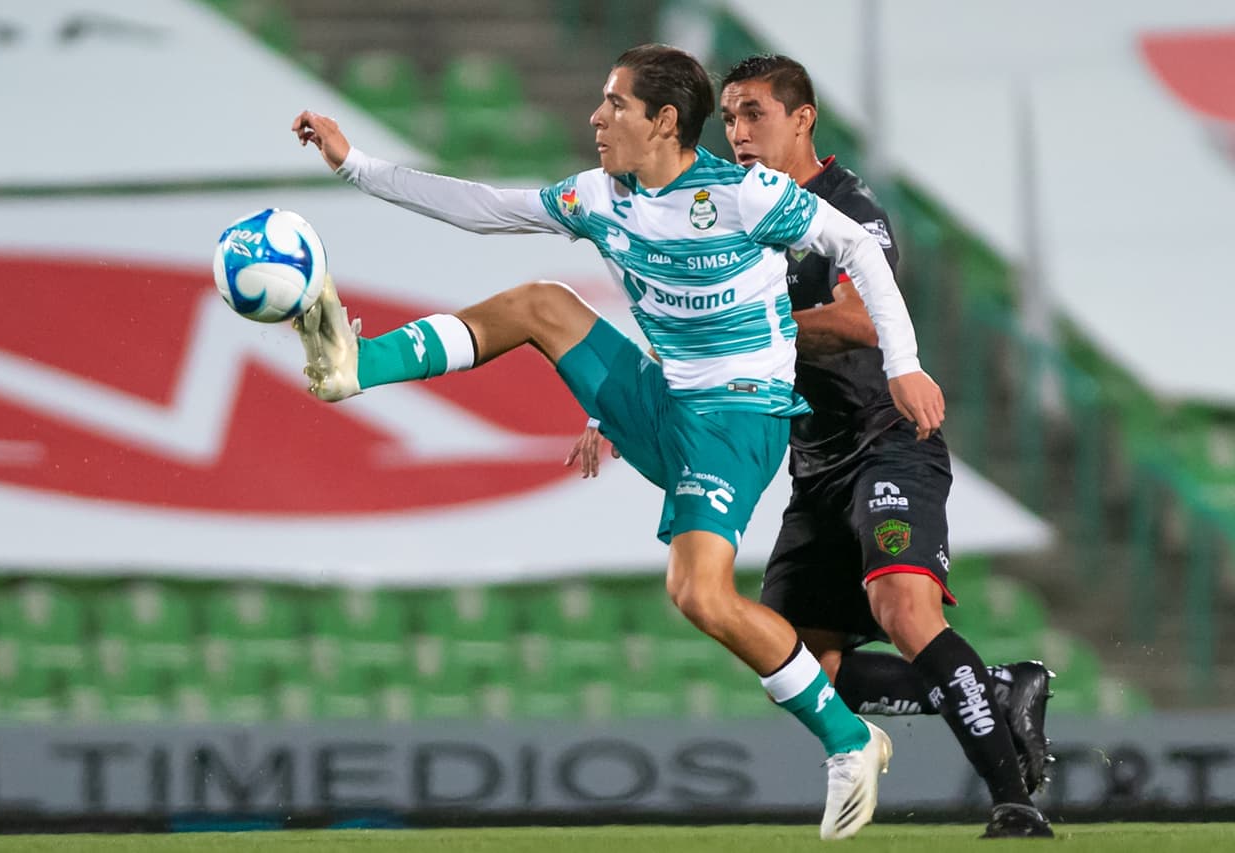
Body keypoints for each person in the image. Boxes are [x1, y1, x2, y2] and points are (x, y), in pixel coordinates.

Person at [291, 43, 946, 840]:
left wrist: (904, 365)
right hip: (663, 401)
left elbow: (861, 251)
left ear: (664, 121)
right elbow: (481, 206)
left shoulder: (744, 194)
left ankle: (849, 740)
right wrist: (352, 163)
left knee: (699, 594)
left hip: (739, 417)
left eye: (615, 104)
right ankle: (360, 365)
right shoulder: (600, 196)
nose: (597, 118)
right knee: (541, 302)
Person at [571, 54, 1055, 839]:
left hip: (887, 445)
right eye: (728, 117)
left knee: (901, 606)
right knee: (800, 665)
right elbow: (690, 312)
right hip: (814, 461)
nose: (737, 132)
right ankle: (1000, 685)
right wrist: (627, 399)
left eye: (754, 113)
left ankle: (1013, 799)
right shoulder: (728, 205)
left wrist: (753, 334)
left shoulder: (845, 206)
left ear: (804, 119)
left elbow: (864, 317)